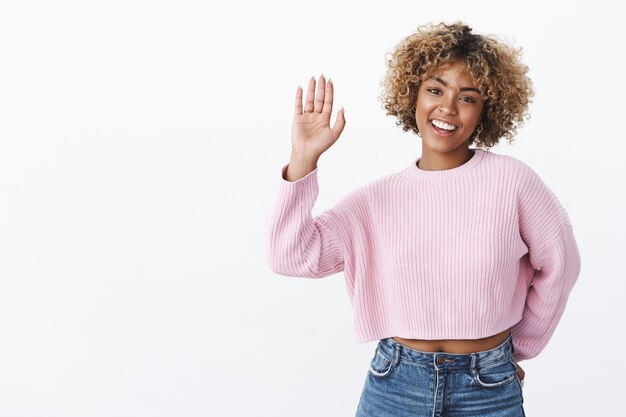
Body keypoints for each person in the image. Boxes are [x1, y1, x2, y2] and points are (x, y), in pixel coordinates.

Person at [265, 21, 581, 417]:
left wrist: (516, 350)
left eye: (467, 97)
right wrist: (303, 160)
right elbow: (290, 257)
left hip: (488, 389)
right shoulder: (375, 201)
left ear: (486, 109)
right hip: (395, 386)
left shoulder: (513, 183)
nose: (447, 108)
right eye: (435, 90)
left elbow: (561, 264)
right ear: (411, 95)